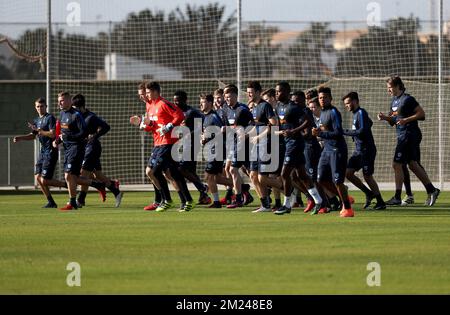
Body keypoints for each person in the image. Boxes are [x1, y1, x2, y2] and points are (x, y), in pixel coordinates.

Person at [378, 75, 440, 206]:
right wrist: (385, 118)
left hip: (409, 134)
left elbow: (421, 114)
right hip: (402, 135)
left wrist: (406, 120)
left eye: (390, 88)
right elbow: (394, 120)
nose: (388, 90)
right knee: (412, 164)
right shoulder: (394, 101)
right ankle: (432, 190)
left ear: (397, 86)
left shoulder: (408, 99)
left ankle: (397, 197)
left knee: (396, 164)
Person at [131, 82, 192, 212]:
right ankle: (186, 200)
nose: (145, 96)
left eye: (146, 93)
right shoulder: (150, 106)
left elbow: (180, 115)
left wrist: (169, 126)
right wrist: (146, 125)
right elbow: (155, 125)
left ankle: (166, 200)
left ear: (154, 92)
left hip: (168, 143)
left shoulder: (163, 103)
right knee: (172, 173)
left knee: (154, 171)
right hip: (158, 144)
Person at [54, 91, 106, 211]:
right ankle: (96, 185)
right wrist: (58, 140)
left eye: (61, 101)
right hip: (67, 149)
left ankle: (73, 202)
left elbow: (84, 133)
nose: (59, 103)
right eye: (58, 101)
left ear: (69, 101)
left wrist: (70, 138)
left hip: (77, 148)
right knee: (71, 177)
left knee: (69, 175)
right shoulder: (62, 114)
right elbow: (64, 132)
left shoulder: (76, 115)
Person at [13, 97, 67, 208]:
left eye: (42, 106)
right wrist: (20, 138)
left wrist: (39, 130)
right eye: (37, 106)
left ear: (46, 107)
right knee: (38, 177)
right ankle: (51, 202)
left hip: (51, 151)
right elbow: (33, 135)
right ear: (35, 107)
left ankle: (67, 185)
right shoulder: (37, 120)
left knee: (45, 180)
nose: (40, 108)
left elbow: (52, 134)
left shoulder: (50, 118)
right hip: (43, 152)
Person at [71, 94, 123, 208]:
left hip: (92, 148)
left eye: (75, 108)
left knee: (82, 175)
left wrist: (94, 135)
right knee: (97, 174)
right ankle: (116, 191)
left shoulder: (91, 117)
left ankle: (80, 200)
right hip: (85, 149)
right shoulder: (76, 117)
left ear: (81, 107)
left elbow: (106, 127)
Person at [312, 86, 354, 218]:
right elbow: (324, 132)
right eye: (320, 98)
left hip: (337, 149)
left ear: (330, 98)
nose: (322, 100)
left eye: (324, 97)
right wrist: (318, 133)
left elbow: (337, 132)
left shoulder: (334, 112)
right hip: (327, 150)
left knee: (337, 181)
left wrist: (321, 133)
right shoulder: (322, 113)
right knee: (320, 179)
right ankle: (345, 196)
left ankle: (348, 209)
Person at [342, 92, 386, 210]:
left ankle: (380, 201)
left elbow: (361, 130)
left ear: (356, 101)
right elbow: (369, 123)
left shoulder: (361, 112)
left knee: (367, 176)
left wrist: (344, 131)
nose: (347, 106)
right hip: (358, 150)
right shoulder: (356, 114)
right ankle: (368, 193)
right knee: (348, 173)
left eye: (348, 103)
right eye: (345, 104)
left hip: (367, 150)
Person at [173, 90, 211, 207]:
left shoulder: (192, 112)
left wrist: (189, 134)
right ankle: (204, 196)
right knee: (190, 171)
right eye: (174, 101)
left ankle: (202, 187)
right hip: (183, 145)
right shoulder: (175, 112)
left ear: (185, 100)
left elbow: (201, 127)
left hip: (193, 145)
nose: (176, 103)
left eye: (178, 101)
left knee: (182, 169)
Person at [246, 81, 278, 213]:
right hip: (256, 145)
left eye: (251, 92)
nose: (248, 94)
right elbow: (256, 126)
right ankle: (265, 204)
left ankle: (288, 187)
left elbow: (274, 124)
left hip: (266, 144)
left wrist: (260, 137)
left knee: (261, 177)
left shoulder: (265, 106)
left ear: (258, 92)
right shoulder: (253, 107)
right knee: (253, 176)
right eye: (248, 92)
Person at [222, 84, 254, 208]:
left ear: (236, 95)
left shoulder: (243, 109)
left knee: (232, 169)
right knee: (249, 172)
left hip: (244, 144)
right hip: (233, 144)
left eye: (229, 97)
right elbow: (228, 126)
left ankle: (239, 198)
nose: (227, 99)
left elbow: (253, 126)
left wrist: (245, 133)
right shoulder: (225, 109)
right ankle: (260, 195)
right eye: (226, 97)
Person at [200, 93, 234, 208]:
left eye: (203, 102)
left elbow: (222, 131)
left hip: (217, 150)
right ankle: (241, 187)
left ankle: (216, 202)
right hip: (211, 150)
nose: (201, 104)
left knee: (208, 176)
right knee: (217, 178)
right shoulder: (205, 116)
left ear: (210, 103)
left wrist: (208, 138)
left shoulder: (214, 116)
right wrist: (203, 139)